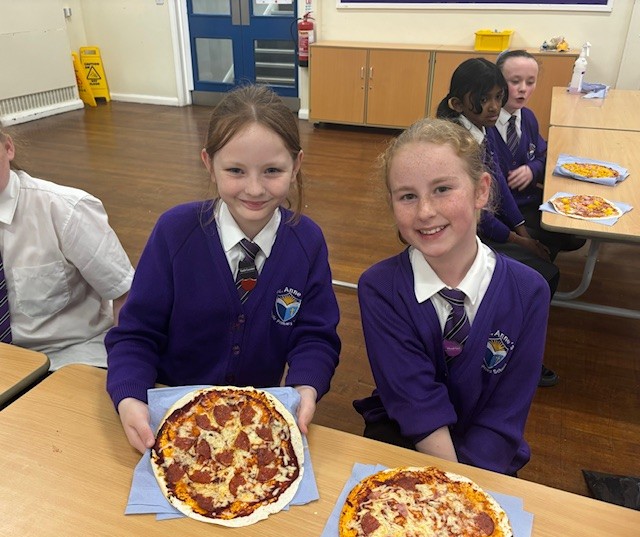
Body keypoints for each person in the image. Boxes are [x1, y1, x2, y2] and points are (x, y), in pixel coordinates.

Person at [105, 85, 341, 453]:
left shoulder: (307, 241)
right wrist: (129, 396)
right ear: (208, 164)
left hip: (253, 424)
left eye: (272, 170)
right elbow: (136, 334)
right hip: (169, 414)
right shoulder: (174, 232)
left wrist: (305, 388)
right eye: (235, 170)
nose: (254, 189)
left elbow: (315, 336)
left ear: (296, 166)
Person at [353, 118, 550, 476]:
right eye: (408, 196)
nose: (425, 211)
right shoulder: (379, 288)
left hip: (489, 457)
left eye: (442, 189)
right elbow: (414, 399)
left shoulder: (529, 292)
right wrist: (453, 487)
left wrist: (467, 486)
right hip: (404, 440)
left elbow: (507, 410)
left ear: (481, 191)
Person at [436, 57, 559, 387]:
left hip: (477, 226)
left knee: (543, 257)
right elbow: (475, 215)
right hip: (459, 237)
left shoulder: (480, 129)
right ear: (457, 104)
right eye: (484, 98)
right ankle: (505, 351)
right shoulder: (457, 145)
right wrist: (520, 241)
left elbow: (498, 185)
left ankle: (512, 341)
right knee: (542, 276)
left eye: (497, 97)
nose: (494, 106)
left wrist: (521, 229)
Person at [0, 124, 133, 370]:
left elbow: (124, 294)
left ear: (8, 147)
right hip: (7, 365)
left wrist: (126, 367)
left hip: (67, 358)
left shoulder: (66, 210)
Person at [491, 49, 585, 258]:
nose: (523, 89)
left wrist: (532, 169)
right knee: (552, 238)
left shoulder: (528, 118)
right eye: (515, 81)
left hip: (530, 200)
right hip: (503, 212)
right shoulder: (486, 125)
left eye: (530, 82)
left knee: (575, 230)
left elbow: (543, 155)